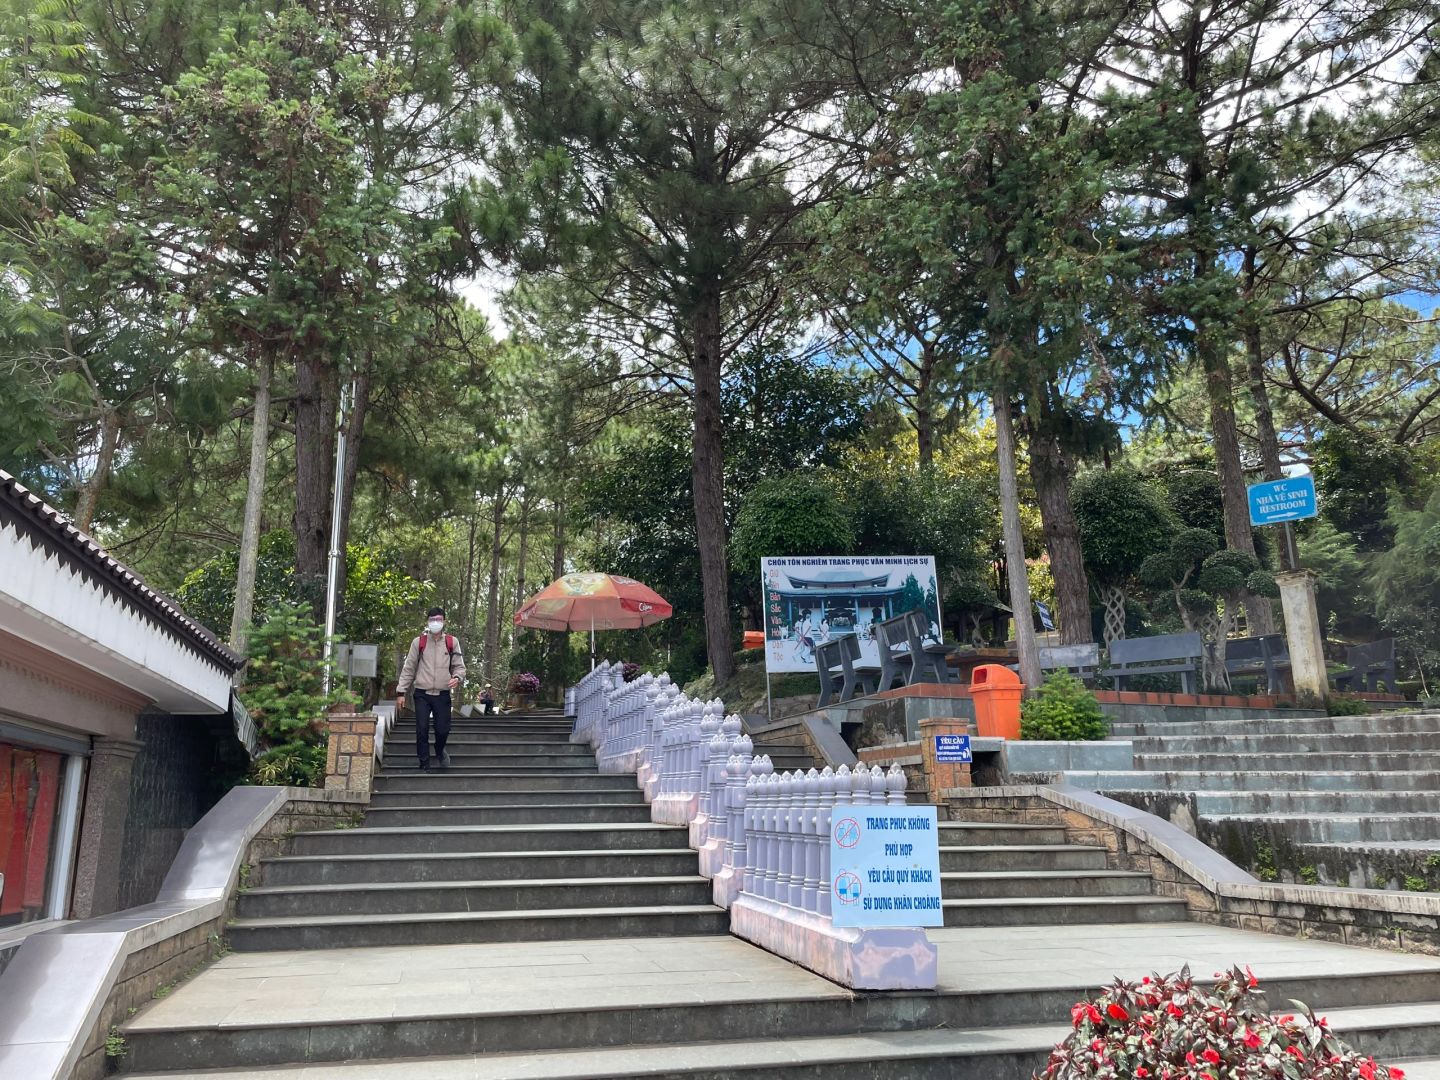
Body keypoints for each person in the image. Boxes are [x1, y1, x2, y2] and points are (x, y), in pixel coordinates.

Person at [395, 607, 466, 771]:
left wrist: (457, 678)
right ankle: (424, 763)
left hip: (442, 694)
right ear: (427, 622)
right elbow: (409, 668)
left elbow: (459, 667)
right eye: (432, 619)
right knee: (422, 729)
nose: (435, 623)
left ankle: (440, 751)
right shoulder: (418, 642)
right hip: (422, 694)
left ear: (444, 622)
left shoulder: (451, 642)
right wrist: (401, 692)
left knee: (443, 730)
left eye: (439, 620)